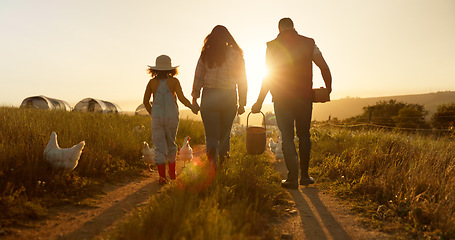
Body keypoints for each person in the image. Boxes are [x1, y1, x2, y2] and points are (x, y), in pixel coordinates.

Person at [252, 18, 332, 189]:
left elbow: (268, 75)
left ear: (279, 29)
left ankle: (291, 178)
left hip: (282, 98)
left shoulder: (272, 46)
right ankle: (305, 176)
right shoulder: (310, 43)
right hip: (304, 97)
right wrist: (328, 88)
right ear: (294, 27)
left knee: (287, 136)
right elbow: (324, 67)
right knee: (304, 135)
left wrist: (259, 101)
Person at [192, 25, 247, 168]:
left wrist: (194, 98)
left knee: (211, 135)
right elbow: (242, 80)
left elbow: (198, 77)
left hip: (210, 96)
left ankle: (212, 164)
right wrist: (242, 102)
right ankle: (223, 163)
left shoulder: (206, 54)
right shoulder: (236, 55)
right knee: (224, 134)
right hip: (229, 96)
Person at [143, 55, 196, 184]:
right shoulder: (174, 82)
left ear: (155, 69)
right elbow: (182, 98)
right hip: (172, 117)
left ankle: (162, 177)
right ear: (170, 69)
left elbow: (145, 102)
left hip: (157, 118)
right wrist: (192, 107)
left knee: (159, 147)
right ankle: (172, 175)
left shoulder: (152, 83)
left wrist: (153, 113)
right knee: (171, 144)